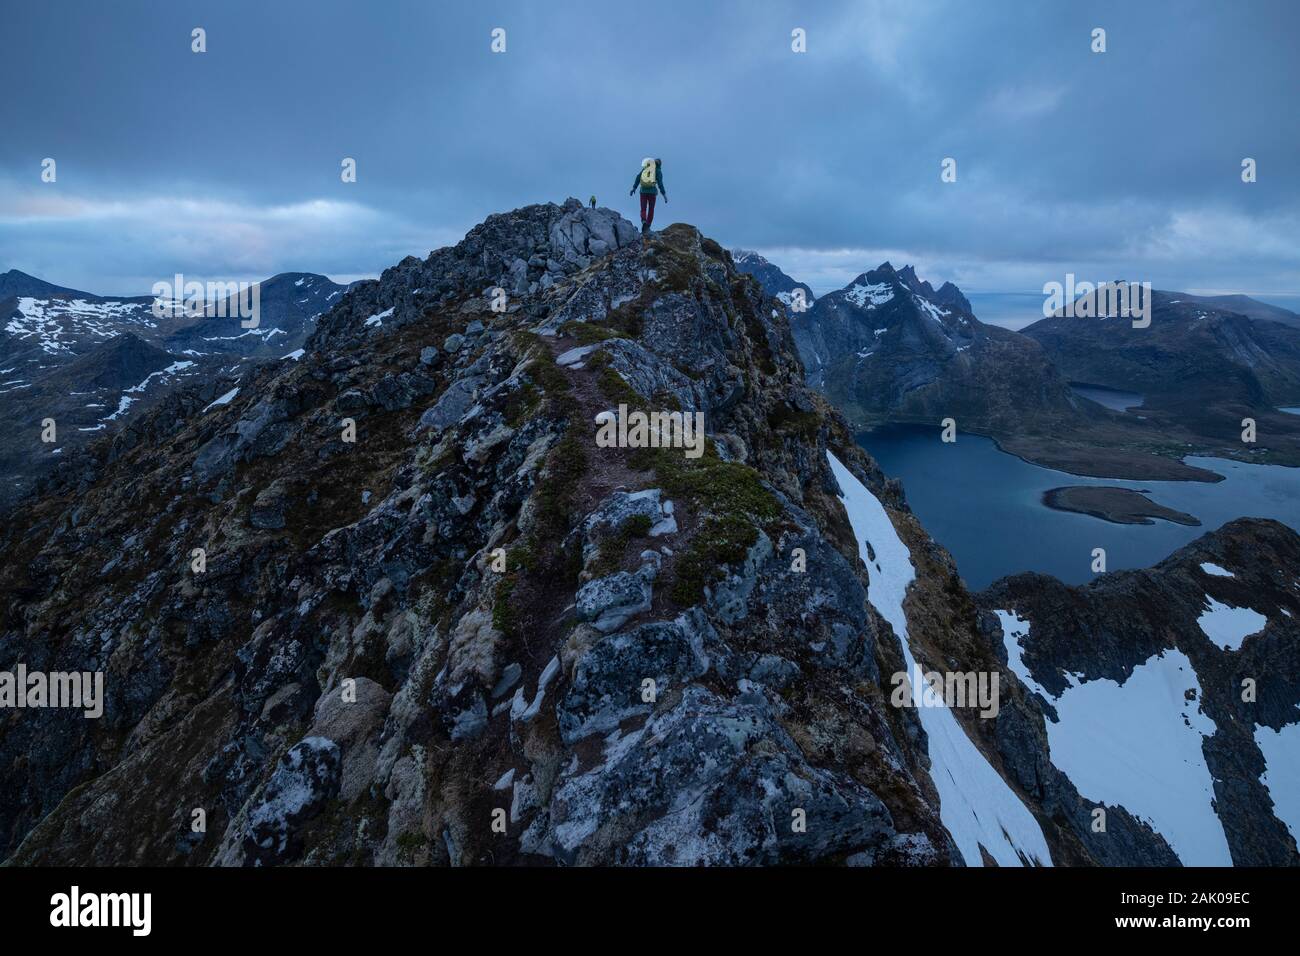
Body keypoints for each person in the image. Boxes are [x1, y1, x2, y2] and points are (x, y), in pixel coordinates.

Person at [629, 157, 666, 234]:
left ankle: (643, 221)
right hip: (652, 193)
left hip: (643, 192)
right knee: (651, 209)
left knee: (643, 208)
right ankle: (648, 226)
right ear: (660, 165)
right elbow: (660, 184)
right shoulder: (658, 171)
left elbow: (638, 177)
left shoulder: (646, 168)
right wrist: (664, 195)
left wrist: (634, 188)